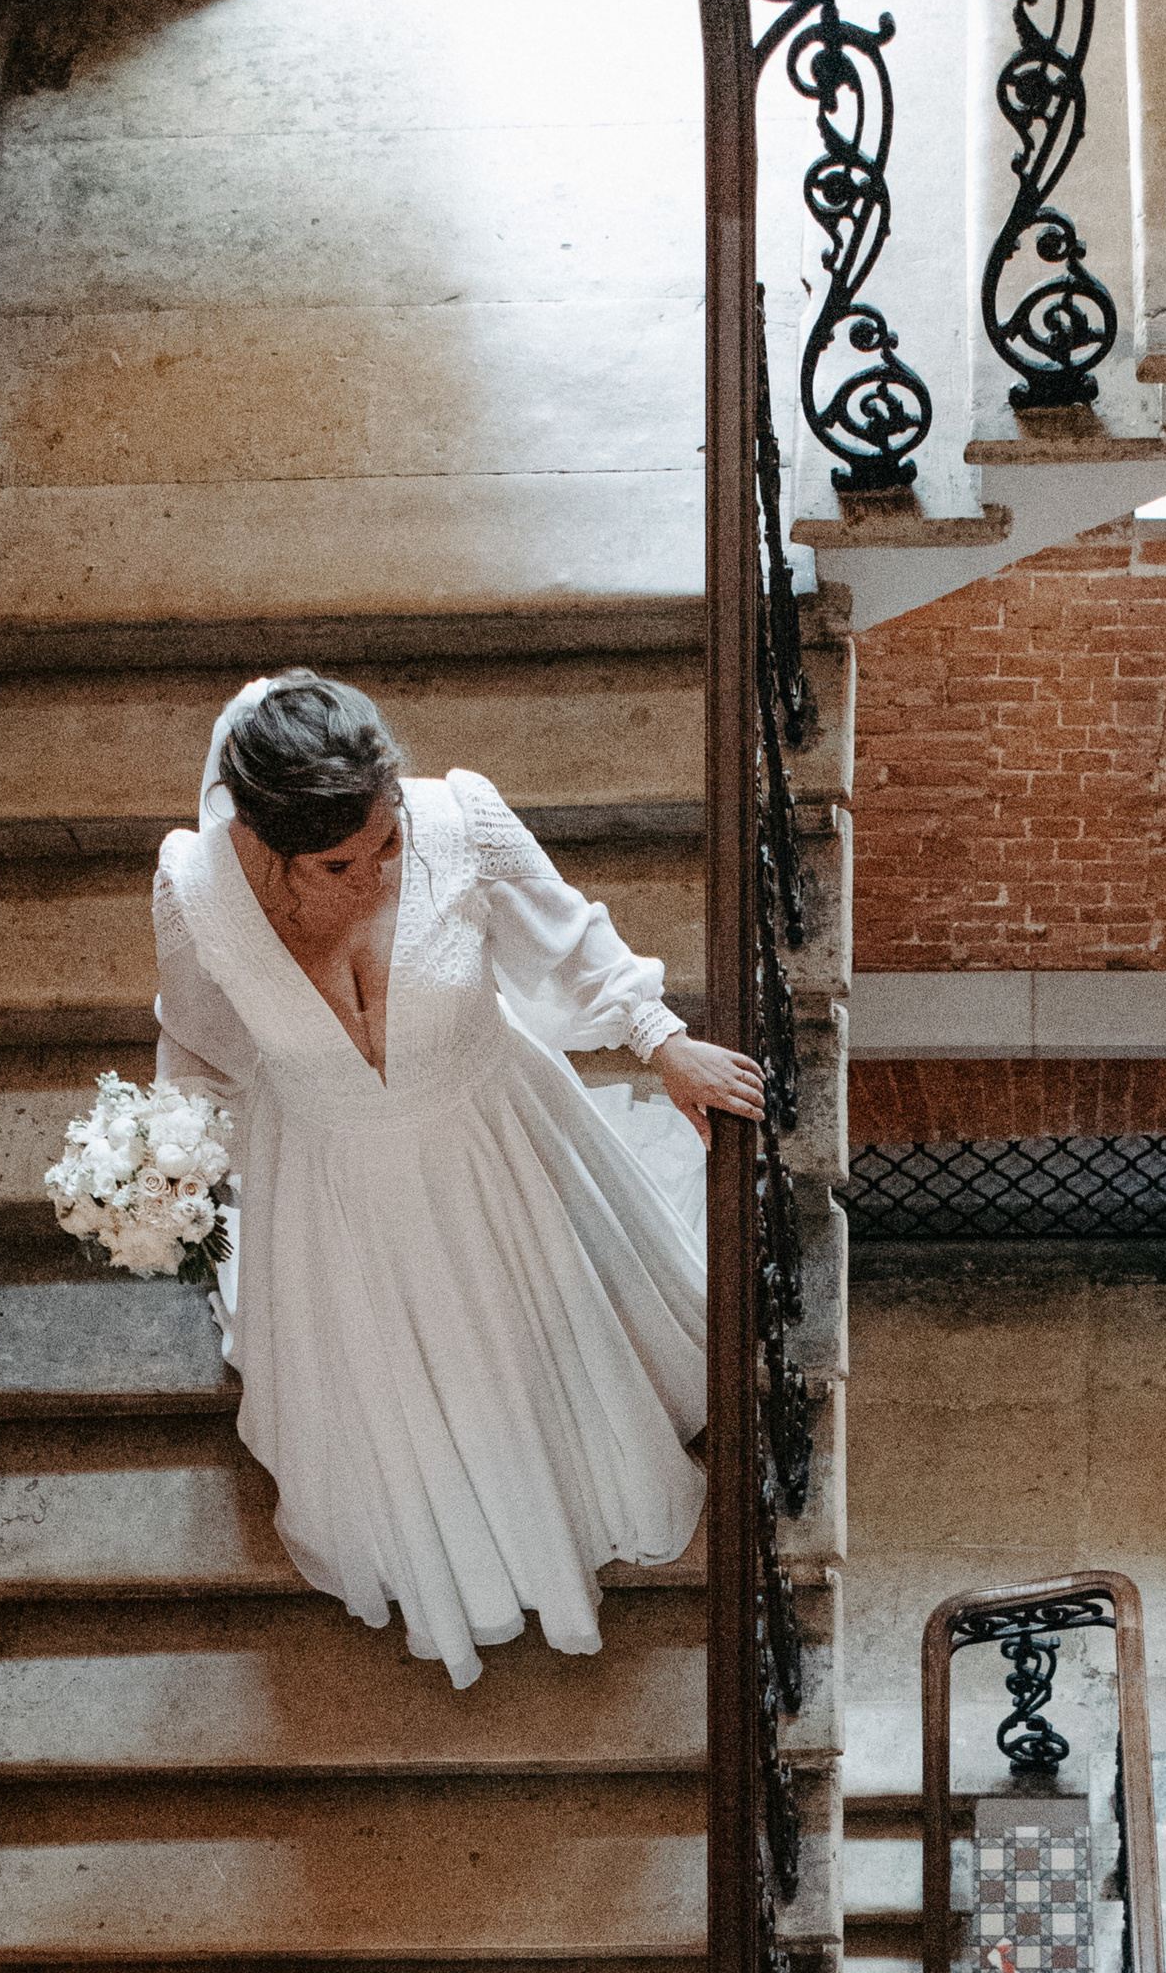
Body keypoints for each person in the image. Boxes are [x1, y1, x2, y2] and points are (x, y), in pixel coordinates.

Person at [149, 669, 764, 1686]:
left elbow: (568, 944)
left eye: (388, 844)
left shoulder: (459, 818)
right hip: (334, 1187)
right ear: (262, 847)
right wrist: (173, 1165)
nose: (378, 877)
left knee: (531, 1340)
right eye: (341, 864)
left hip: (494, 1145)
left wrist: (660, 1039)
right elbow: (202, 1048)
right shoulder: (193, 893)